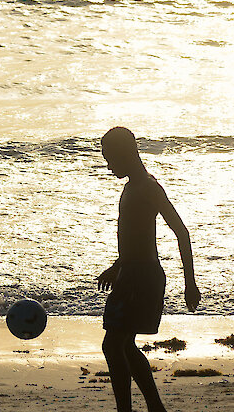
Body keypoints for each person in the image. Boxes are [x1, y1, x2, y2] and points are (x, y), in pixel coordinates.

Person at [95, 127, 199, 412]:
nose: (108, 165)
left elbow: (182, 232)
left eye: (111, 158)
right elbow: (135, 238)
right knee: (123, 344)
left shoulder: (148, 188)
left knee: (114, 345)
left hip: (143, 278)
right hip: (130, 275)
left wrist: (190, 283)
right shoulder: (130, 187)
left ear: (126, 153)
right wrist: (117, 266)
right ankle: (155, 407)